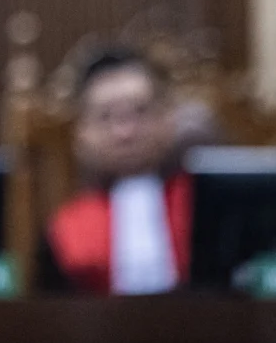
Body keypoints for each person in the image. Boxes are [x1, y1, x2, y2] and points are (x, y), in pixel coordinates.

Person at [38, 45, 191, 295]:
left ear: (168, 119)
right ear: (81, 133)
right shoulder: (63, 231)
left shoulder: (202, 208)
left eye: (140, 112)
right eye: (106, 117)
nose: (125, 132)